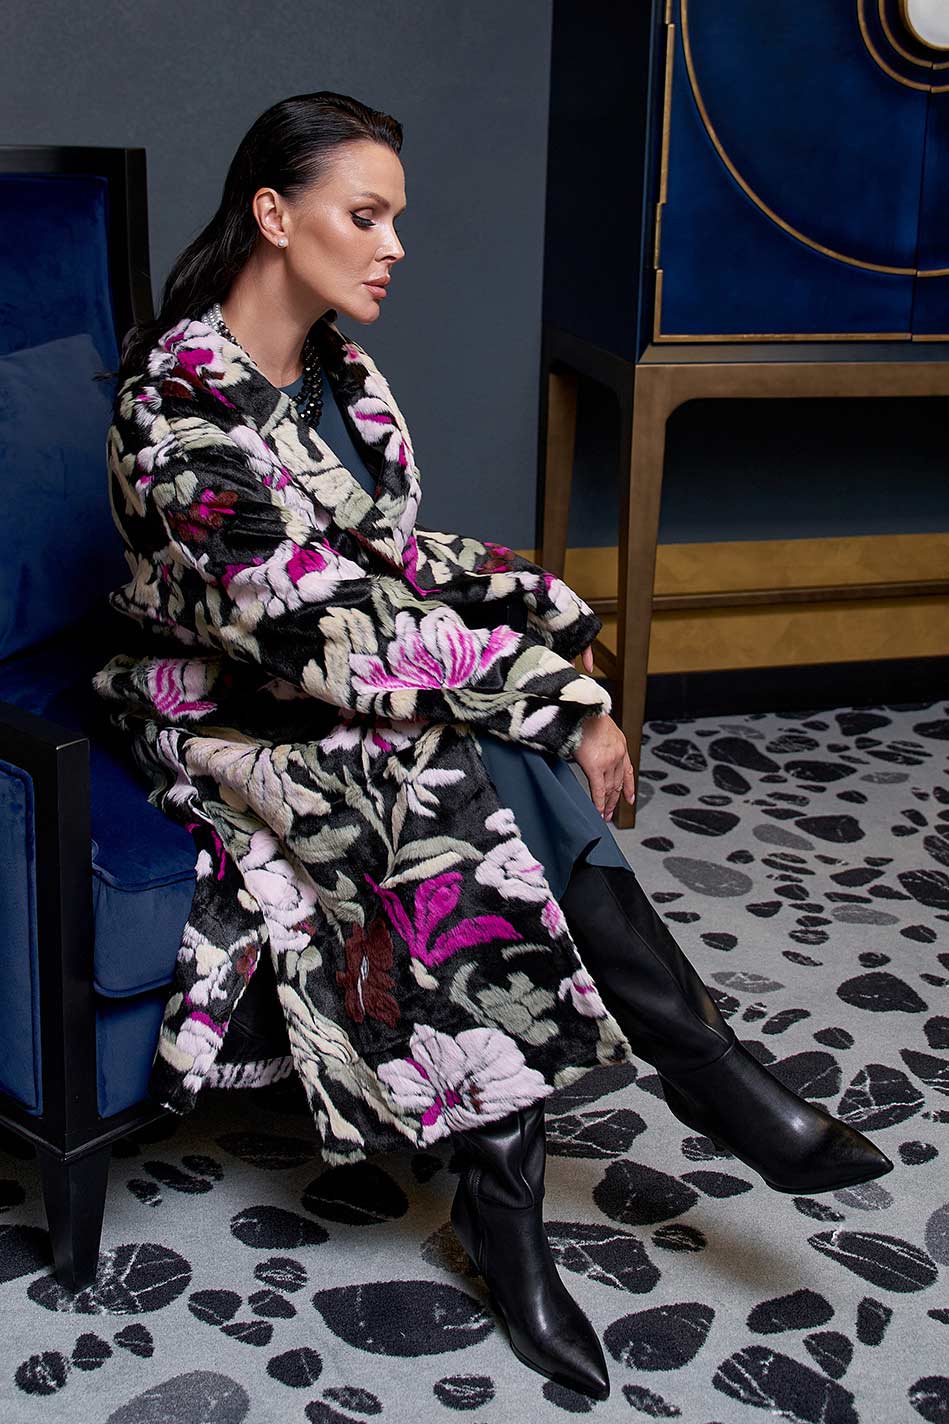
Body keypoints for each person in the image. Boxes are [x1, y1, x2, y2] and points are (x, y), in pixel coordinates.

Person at [94, 90, 892, 1403]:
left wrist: (548, 613)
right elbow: (306, 628)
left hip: (345, 674)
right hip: (228, 701)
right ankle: (668, 1095)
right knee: (447, 768)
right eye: (366, 216)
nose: (394, 245)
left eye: (395, 217)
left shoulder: (342, 377)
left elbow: (397, 559)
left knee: (468, 744)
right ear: (274, 215)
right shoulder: (174, 407)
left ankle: (577, 1151)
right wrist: (556, 696)